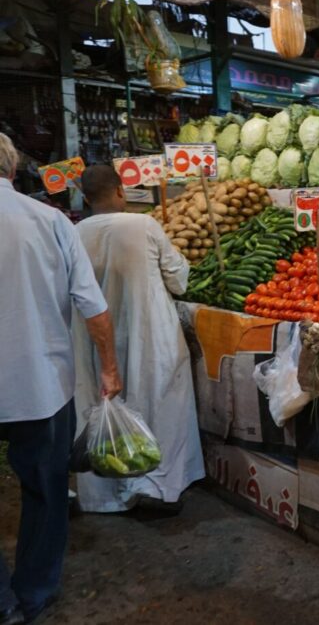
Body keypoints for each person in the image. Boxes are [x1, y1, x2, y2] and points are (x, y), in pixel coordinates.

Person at [0, 134, 122, 625]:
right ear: (13, 169)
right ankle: (32, 592)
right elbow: (93, 309)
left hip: (40, 382)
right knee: (45, 489)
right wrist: (109, 368)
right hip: (39, 383)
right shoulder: (49, 220)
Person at [71, 165, 204, 514]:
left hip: (98, 339)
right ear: (120, 190)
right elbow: (178, 279)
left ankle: (107, 496)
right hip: (150, 333)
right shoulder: (143, 224)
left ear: (85, 199)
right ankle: (157, 489)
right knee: (161, 405)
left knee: (101, 413)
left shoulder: (75, 232)